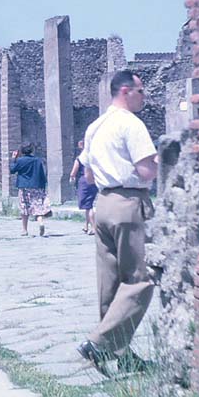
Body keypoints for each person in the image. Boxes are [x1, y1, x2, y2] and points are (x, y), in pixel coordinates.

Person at [76, 70, 158, 377]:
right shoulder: (131, 124)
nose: (144, 97)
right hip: (128, 203)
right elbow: (146, 171)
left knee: (109, 283)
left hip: (103, 204)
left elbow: (87, 175)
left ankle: (121, 355)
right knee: (140, 279)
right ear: (126, 91)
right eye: (141, 91)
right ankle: (98, 343)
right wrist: (162, 162)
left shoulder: (96, 126)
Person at [10, 144, 51, 237]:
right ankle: (40, 222)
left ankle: (24, 230)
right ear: (31, 150)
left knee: (24, 208)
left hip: (24, 187)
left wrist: (14, 159)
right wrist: (43, 187)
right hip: (36, 187)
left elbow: (12, 170)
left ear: (22, 151)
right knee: (37, 207)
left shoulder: (20, 161)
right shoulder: (37, 160)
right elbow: (42, 174)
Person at [68, 140, 98, 235]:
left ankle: (94, 227)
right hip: (94, 180)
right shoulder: (94, 157)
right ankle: (86, 225)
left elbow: (73, 172)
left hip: (84, 181)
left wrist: (72, 177)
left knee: (88, 206)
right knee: (87, 204)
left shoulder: (80, 158)